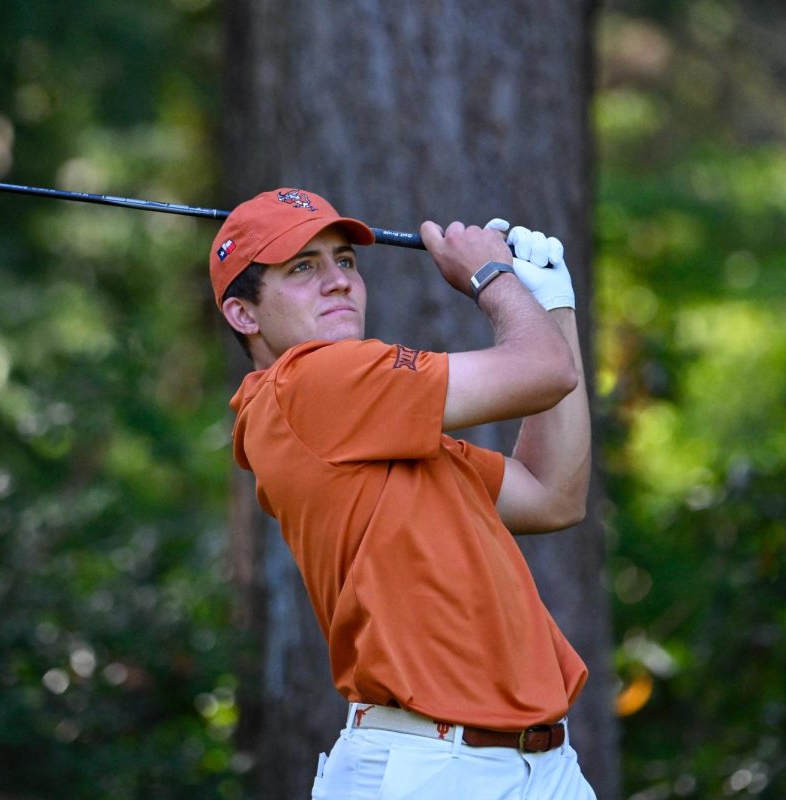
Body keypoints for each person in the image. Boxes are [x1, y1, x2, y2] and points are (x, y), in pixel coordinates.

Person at [211, 188, 594, 799]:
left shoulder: (364, 418)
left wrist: (554, 307)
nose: (337, 281)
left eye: (344, 260)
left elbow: (553, 495)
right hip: (433, 768)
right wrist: (492, 277)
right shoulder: (311, 382)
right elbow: (545, 373)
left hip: (536, 764)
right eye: (302, 267)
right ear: (244, 315)